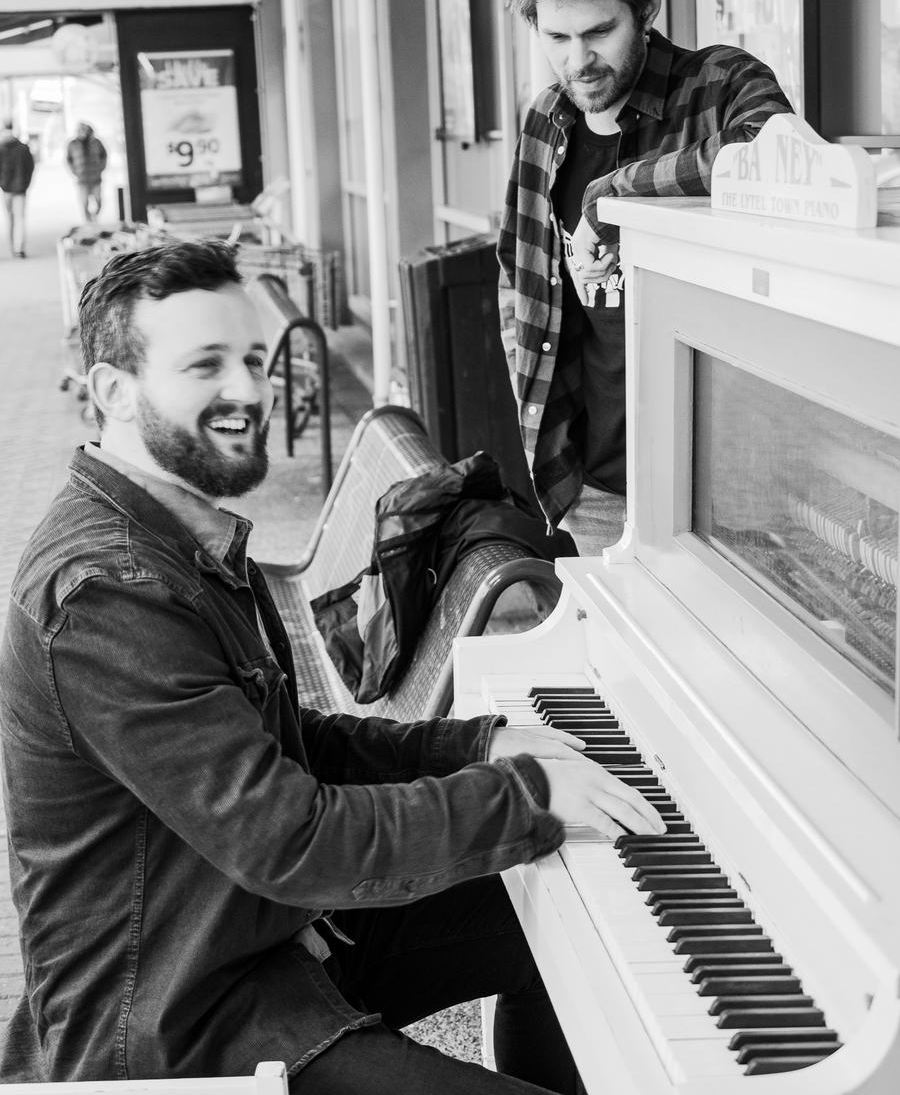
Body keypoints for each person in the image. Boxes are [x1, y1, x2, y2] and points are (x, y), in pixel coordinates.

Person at [0, 237, 665, 1094]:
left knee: (579, 910)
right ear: (114, 393)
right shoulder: (107, 593)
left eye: (252, 358)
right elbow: (294, 839)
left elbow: (295, 741)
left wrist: (479, 748)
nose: (248, 390)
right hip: (180, 1021)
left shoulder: (175, 536)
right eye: (206, 365)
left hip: (266, 941)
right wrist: (526, 795)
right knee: (537, 851)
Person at [498, 0, 794, 556]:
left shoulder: (720, 84)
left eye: (599, 32)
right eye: (556, 39)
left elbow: (773, 159)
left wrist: (614, 196)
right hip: (596, 487)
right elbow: (517, 274)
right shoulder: (546, 121)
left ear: (646, 9)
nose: (579, 62)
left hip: (722, 493)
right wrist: (548, 440)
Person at [0, 120, 35, 258]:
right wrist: (26, 183)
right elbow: (30, 167)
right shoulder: (23, 148)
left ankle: (13, 245)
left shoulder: (1, 148)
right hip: (20, 189)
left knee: (10, 218)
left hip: (7, 189)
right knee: (20, 217)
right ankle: (18, 247)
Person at [66, 120, 107, 221]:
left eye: (85, 130)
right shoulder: (73, 144)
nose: (83, 132)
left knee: (99, 201)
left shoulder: (96, 142)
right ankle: (88, 221)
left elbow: (104, 156)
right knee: (84, 203)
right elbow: (68, 160)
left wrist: (100, 169)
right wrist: (75, 171)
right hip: (82, 179)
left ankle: (95, 216)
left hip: (96, 178)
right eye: (80, 130)